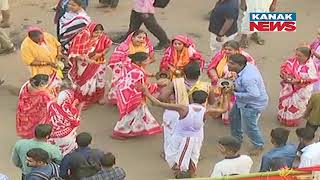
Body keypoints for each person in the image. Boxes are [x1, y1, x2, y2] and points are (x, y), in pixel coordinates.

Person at [141, 86, 228, 177]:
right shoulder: (207, 111)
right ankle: (190, 173)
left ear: (191, 98)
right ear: (204, 101)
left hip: (180, 136)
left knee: (171, 155)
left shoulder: (183, 108)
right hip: (197, 138)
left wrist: (146, 92)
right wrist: (225, 96)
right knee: (193, 156)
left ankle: (181, 173)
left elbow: (158, 103)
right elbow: (224, 110)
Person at [157, 62, 214, 158]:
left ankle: (169, 154)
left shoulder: (175, 82)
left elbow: (162, 97)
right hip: (197, 116)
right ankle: (193, 155)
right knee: (195, 136)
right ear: (199, 74)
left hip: (178, 113)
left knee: (171, 134)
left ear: (184, 73)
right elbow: (212, 102)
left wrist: (171, 103)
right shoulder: (207, 86)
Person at [111, 52, 163, 139]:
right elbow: (142, 87)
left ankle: (137, 129)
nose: (149, 61)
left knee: (140, 113)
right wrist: (156, 86)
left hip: (125, 92)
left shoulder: (129, 65)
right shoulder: (139, 73)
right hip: (133, 96)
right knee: (130, 115)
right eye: (146, 60)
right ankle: (118, 132)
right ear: (139, 62)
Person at [227, 54, 268, 156]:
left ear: (240, 65)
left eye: (232, 64)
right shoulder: (247, 66)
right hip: (242, 100)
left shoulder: (247, 78)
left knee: (249, 127)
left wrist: (234, 93)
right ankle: (236, 139)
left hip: (251, 105)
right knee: (233, 116)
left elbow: (254, 94)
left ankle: (259, 145)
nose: (228, 65)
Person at [207, 40, 255, 125]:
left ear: (237, 50)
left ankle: (231, 117)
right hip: (220, 83)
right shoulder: (220, 55)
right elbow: (212, 67)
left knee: (232, 102)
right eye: (225, 49)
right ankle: (220, 112)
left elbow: (249, 72)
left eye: (230, 50)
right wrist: (215, 77)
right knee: (221, 99)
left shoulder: (245, 58)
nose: (227, 51)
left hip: (236, 86)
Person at [68, 23, 112, 107]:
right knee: (85, 82)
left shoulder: (102, 38)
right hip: (84, 65)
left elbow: (108, 46)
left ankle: (99, 97)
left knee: (100, 80)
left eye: (100, 32)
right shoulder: (81, 38)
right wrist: (87, 59)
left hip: (99, 62)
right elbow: (74, 54)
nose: (98, 35)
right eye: (96, 33)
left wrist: (101, 54)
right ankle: (83, 99)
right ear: (90, 31)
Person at [107, 30, 154, 105]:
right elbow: (115, 59)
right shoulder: (124, 47)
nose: (141, 40)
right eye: (139, 37)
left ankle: (131, 100)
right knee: (121, 85)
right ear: (132, 38)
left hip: (137, 71)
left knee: (137, 86)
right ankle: (117, 100)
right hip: (123, 70)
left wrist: (142, 69)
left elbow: (149, 58)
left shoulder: (145, 46)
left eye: (143, 38)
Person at [278, 47, 318, 126]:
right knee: (285, 102)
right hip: (289, 86)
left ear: (306, 57)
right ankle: (283, 117)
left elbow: (311, 79)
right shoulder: (292, 61)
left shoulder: (311, 66)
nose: (296, 57)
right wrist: (284, 75)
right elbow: (283, 69)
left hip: (302, 90)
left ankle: (293, 121)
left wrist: (297, 81)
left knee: (297, 105)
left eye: (299, 56)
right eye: (296, 54)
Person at [16, 74, 54, 139]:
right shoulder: (43, 95)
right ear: (41, 85)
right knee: (35, 130)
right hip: (36, 117)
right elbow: (51, 105)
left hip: (25, 114)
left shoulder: (27, 84)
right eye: (48, 83)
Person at [47, 90, 84, 156]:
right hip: (67, 138)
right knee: (67, 150)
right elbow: (76, 122)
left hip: (53, 135)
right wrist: (77, 107)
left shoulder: (51, 106)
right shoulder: (72, 111)